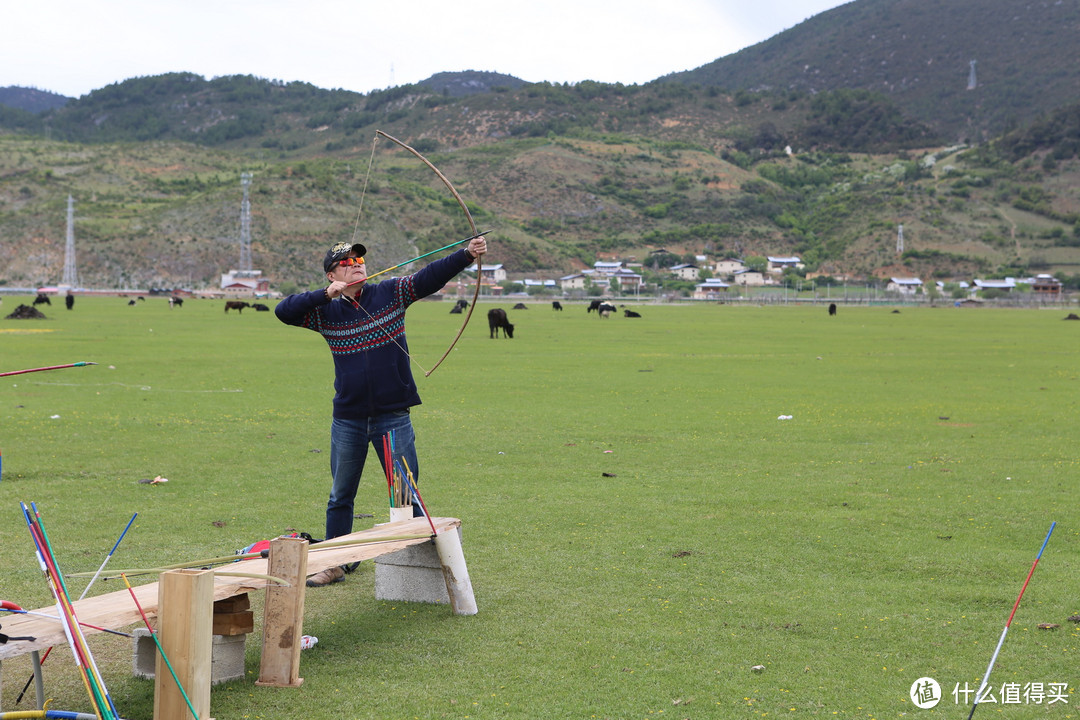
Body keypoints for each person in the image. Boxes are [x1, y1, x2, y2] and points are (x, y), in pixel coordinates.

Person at [275, 235, 487, 586]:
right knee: (341, 494)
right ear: (332, 276)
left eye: (359, 261)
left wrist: (466, 255)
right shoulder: (324, 312)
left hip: (393, 414)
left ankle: (430, 565)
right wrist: (322, 296)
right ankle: (335, 563)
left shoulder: (391, 292)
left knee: (405, 490)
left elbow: (429, 277)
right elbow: (283, 311)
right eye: (347, 263)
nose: (357, 265)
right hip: (348, 418)